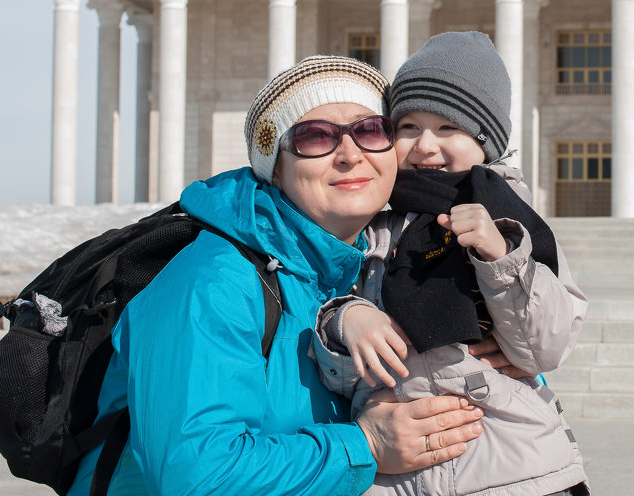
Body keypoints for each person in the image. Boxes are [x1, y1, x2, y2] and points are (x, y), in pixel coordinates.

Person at [67, 56, 484, 496]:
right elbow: (194, 476)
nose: (350, 154)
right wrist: (365, 445)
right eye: (315, 137)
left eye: (369, 130)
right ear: (276, 167)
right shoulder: (213, 280)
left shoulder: (375, 266)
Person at [313, 32, 590, 496]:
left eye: (448, 128)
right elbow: (337, 372)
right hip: (396, 470)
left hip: (512, 467)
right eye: (408, 127)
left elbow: (546, 349)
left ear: (487, 141)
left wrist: (499, 257)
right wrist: (346, 322)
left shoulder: (513, 222)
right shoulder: (369, 225)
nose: (425, 145)